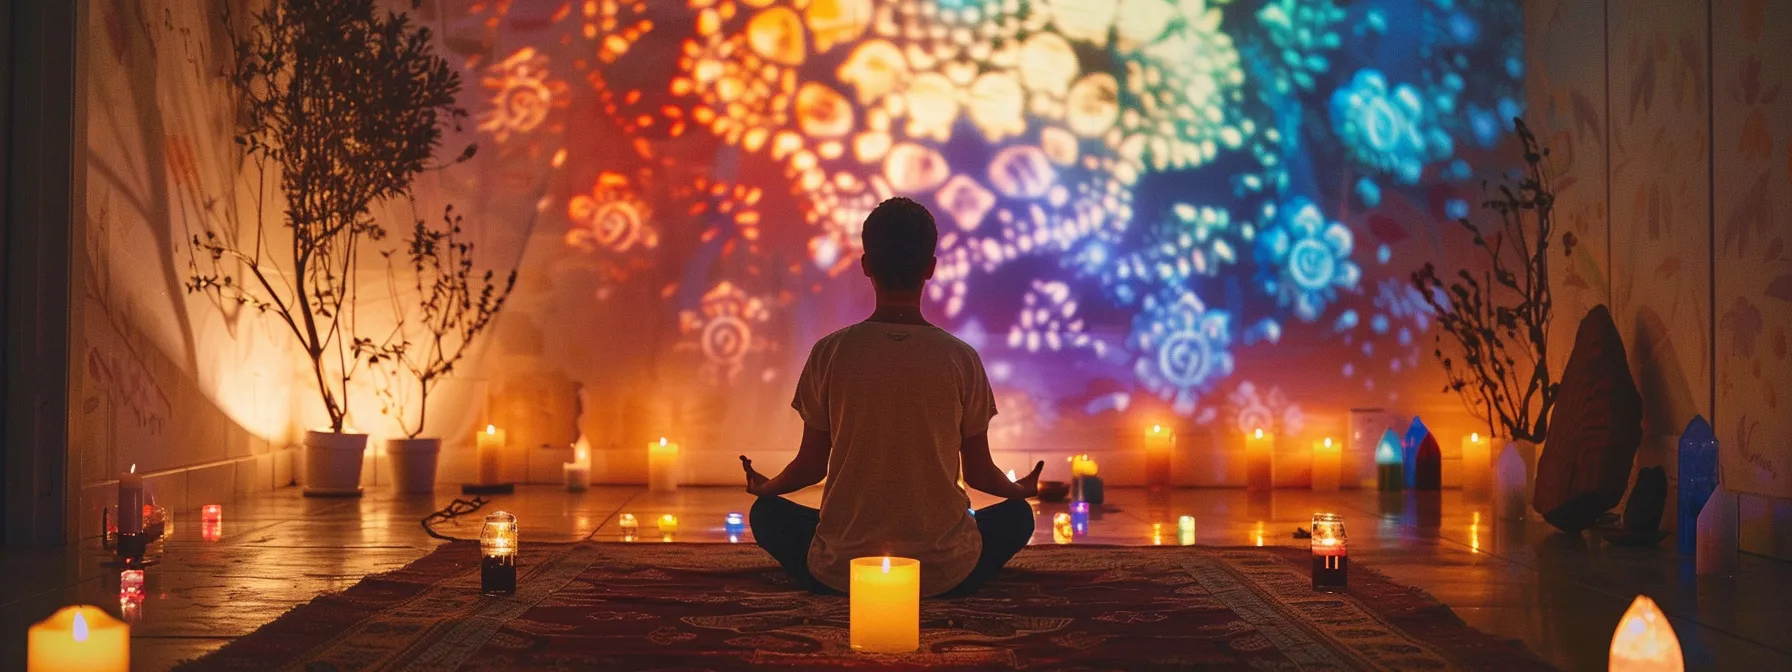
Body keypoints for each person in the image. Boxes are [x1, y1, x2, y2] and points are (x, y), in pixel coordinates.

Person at [740, 197, 1042, 598]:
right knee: (1018, 517)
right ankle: (938, 567)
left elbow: (810, 467)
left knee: (767, 513)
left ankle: (846, 565)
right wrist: (1021, 490)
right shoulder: (960, 358)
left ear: (866, 265)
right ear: (931, 268)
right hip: (943, 570)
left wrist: (767, 487)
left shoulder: (830, 352)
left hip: (842, 569)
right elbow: (980, 474)